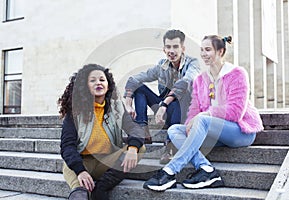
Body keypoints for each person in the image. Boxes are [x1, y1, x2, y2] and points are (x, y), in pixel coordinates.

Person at [143, 35, 264, 191]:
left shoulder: (237, 74)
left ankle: (170, 170)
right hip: (213, 133)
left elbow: (235, 113)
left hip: (239, 131)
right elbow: (195, 109)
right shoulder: (200, 79)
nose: (203, 54)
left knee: (202, 120)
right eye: (201, 50)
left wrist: (203, 116)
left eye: (208, 50)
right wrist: (189, 126)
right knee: (174, 130)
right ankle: (207, 169)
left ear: (221, 51)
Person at [58, 64, 146, 200]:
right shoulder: (75, 111)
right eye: (92, 80)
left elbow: (135, 129)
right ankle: (80, 192)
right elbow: (67, 146)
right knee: (75, 181)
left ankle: (101, 188)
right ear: (85, 86)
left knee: (140, 148)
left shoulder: (117, 108)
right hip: (83, 162)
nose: (98, 83)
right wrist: (80, 171)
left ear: (108, 85)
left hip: (107, 161)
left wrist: (133, 148)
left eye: (102, 79)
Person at [124, 29, 201, 164]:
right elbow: (133, 80)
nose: (171, 50)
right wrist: (128, 105)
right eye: (168, 47)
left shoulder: (192, 63)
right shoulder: (161, 66)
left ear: (183, 48)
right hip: (164, 110)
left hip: (183, 112)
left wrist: (164, 104)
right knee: (139, 88)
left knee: (181, 94)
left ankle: (170, 145)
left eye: (175, 47)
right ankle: (142, 131)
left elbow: (185, 82)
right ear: (164, 49)